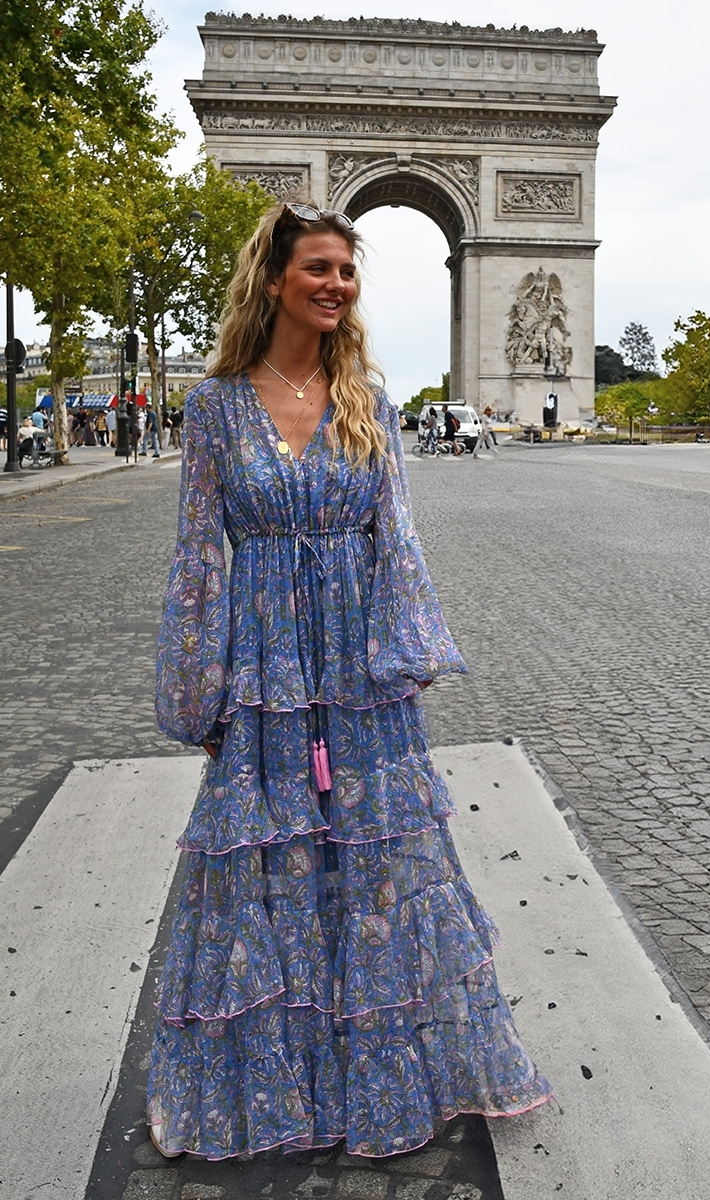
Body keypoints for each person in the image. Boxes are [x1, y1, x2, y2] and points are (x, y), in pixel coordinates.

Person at [147, 200, 552, 1162]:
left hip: (358, 669)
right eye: (319, 268)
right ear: (274, 277)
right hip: (266, 667)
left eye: (347, 271)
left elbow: (396, 535)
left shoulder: (367, 394)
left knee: (370, 868)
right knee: (267, 866)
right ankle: (280, 1076)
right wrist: (199, 686)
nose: (337, 285)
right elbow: (199, 554)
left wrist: (402, 655)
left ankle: (373, 1068)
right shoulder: (212, 407)